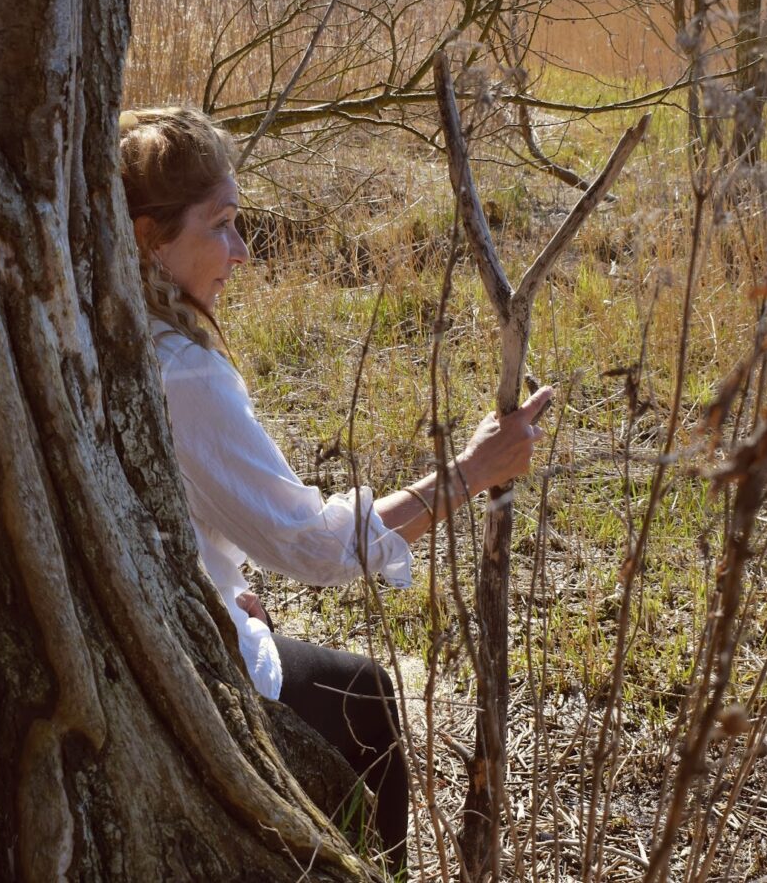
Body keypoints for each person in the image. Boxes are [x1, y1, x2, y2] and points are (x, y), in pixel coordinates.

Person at [119, 106, 552, 874]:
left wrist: (217, 592)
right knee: (368, 700)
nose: (242, 252)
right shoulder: (183, 373)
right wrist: (472, 472)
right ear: (151, 237)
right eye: (221, 226)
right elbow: (316, 547)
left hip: (154, 634)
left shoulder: (104, 327)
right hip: (174, 671)